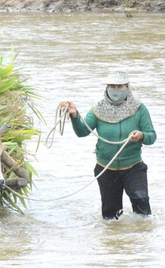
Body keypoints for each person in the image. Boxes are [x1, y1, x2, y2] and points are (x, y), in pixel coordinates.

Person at [60, 70, 156, 220]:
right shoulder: (98, 109)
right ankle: (113, 241)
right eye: (112, 86)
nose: (116, 90)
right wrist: (74, 115)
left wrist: (141, 136)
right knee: (111, 215)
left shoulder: (139, 108)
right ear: (107, 88)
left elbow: (152, 136)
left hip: (133, 167)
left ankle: (141, 239)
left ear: (127, 87)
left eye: (120, 86)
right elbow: (82, 131)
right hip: (106, 168)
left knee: (142, 205)